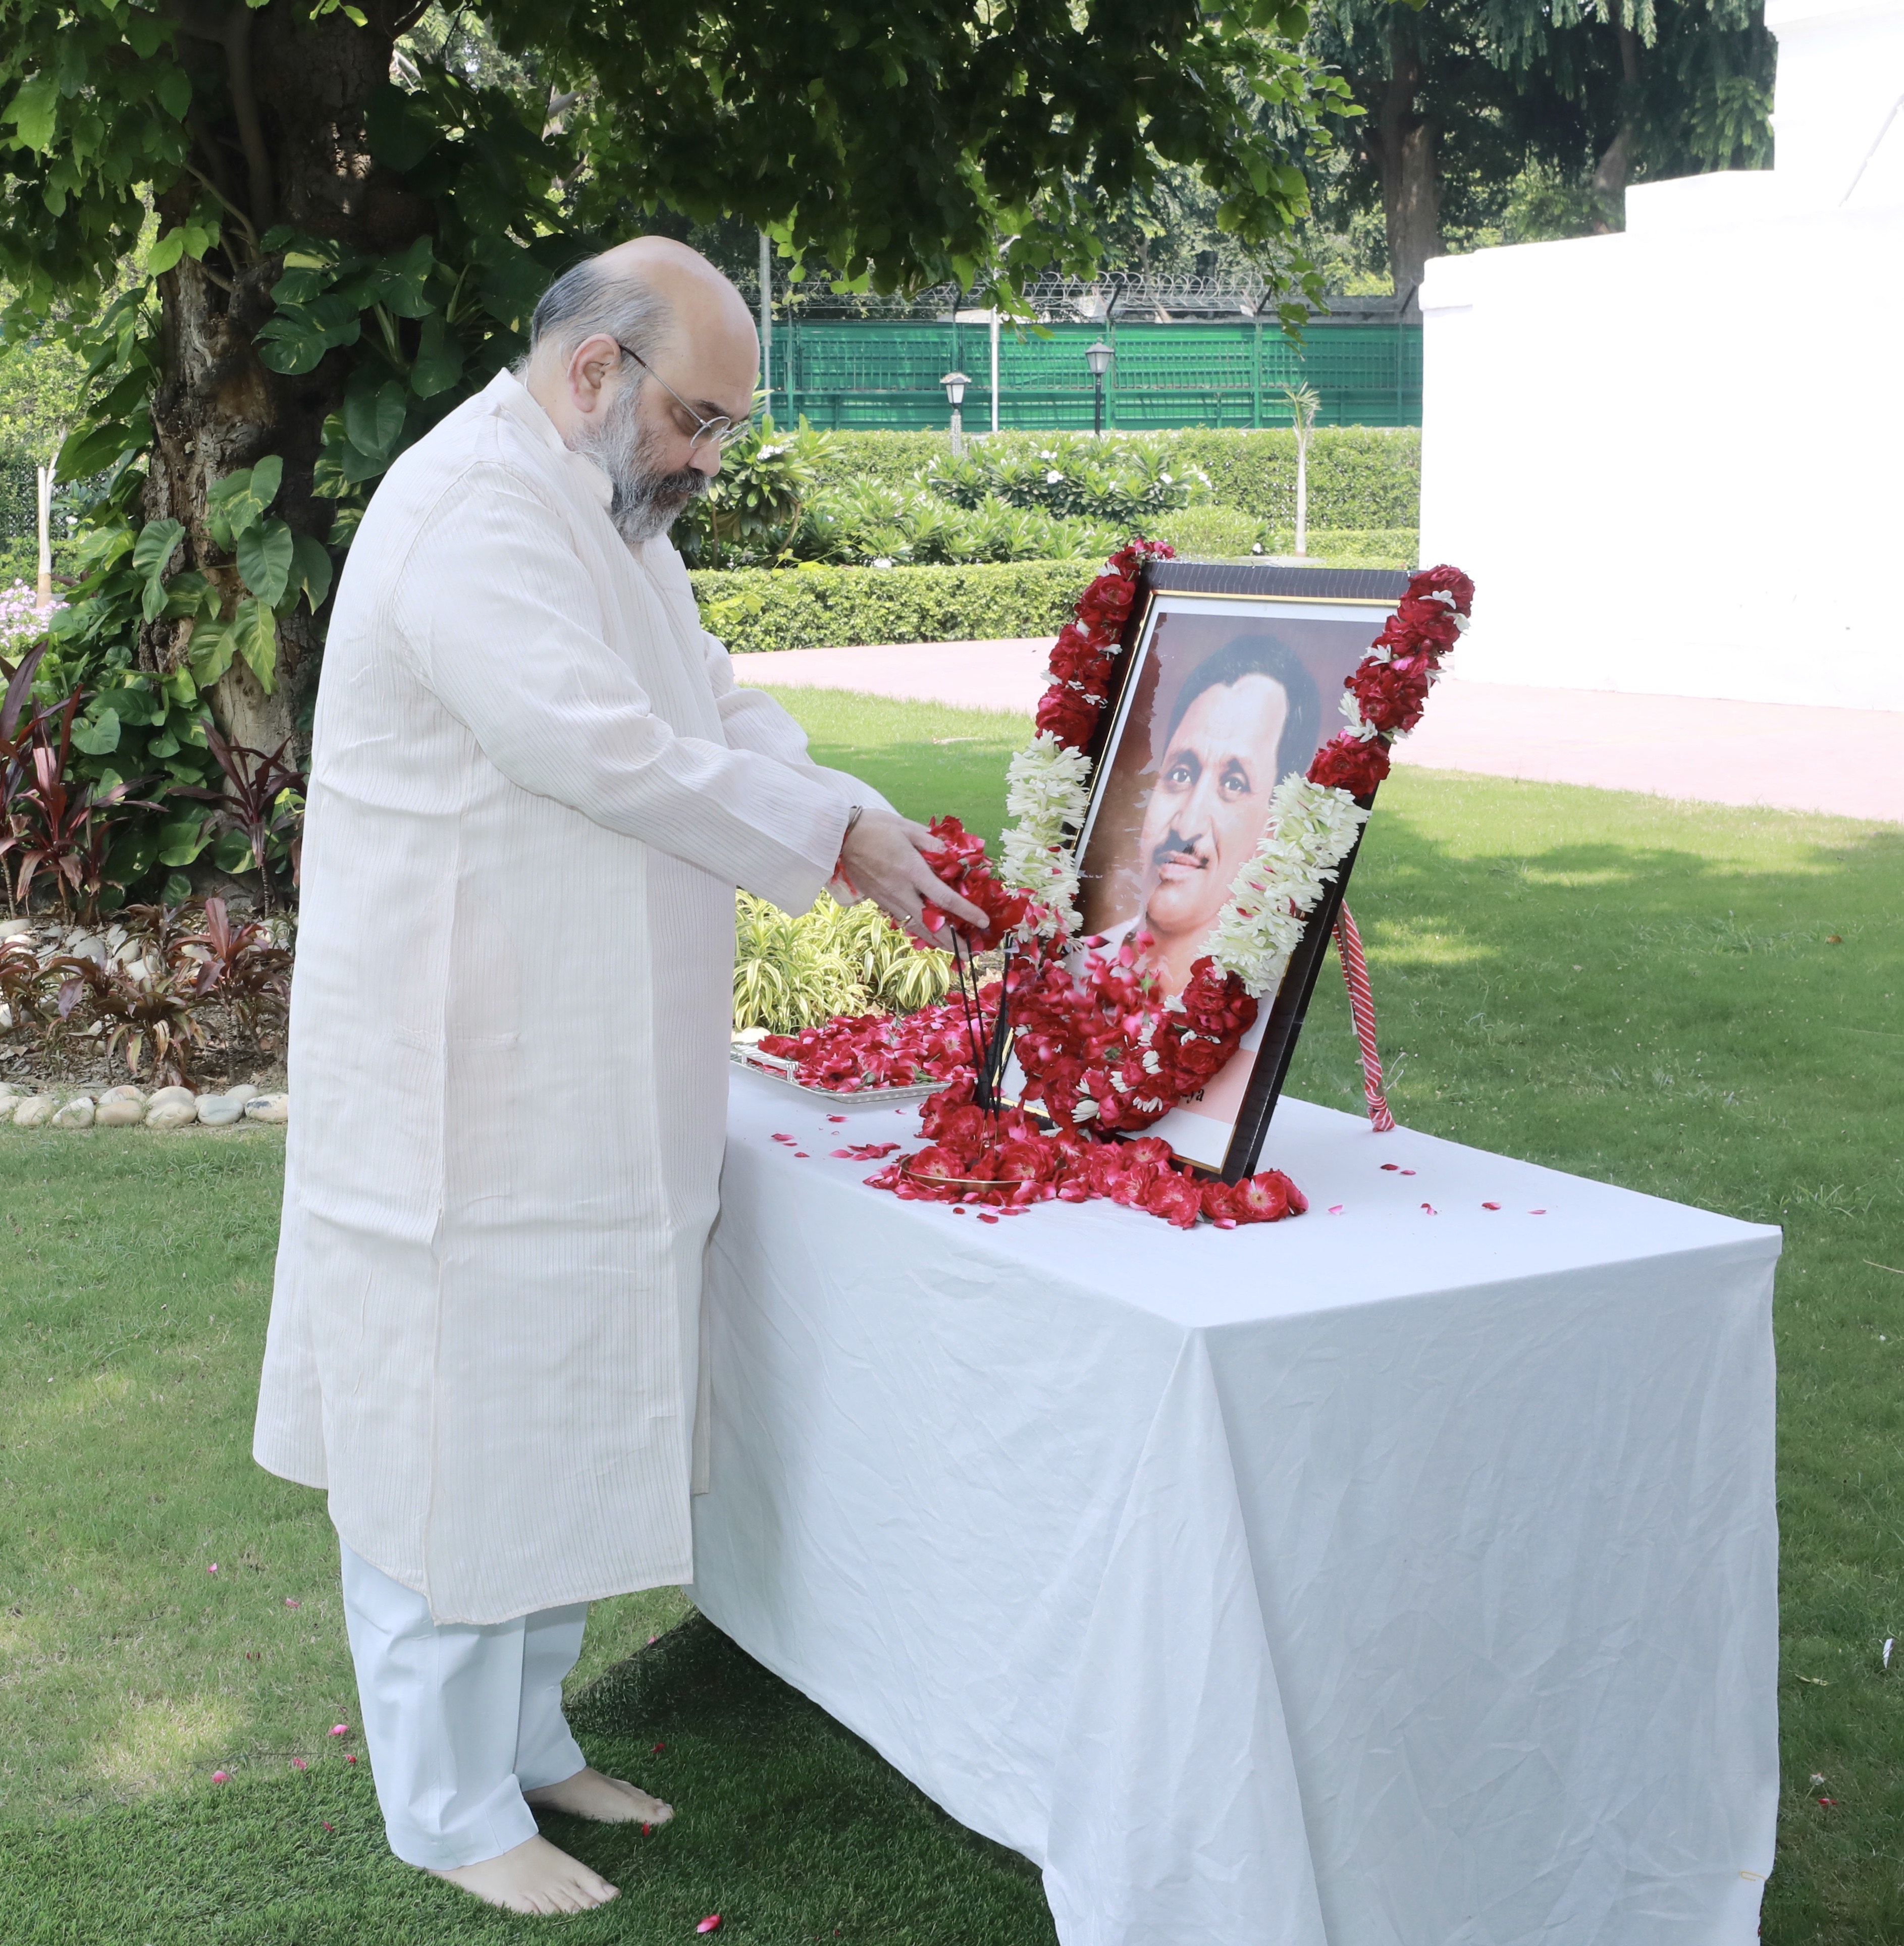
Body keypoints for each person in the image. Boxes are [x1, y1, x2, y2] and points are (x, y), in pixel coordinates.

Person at [251, 236, 984, 1917]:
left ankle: (523, 1741)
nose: (709, 460)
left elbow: (708, 703)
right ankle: (442, 1802)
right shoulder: (469, 514)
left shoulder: (599, 510)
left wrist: (840, 805)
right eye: (700, 418)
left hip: (580, 1059)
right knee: (451, 1430)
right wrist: (834, 833)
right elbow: (592, 742)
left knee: (561, 1411)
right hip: (460, 1074)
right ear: (596, 373)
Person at [1088, 635, 1319, 999]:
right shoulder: (1072, 970)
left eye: (1234, 783)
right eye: (1181, 773)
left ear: (1275, 825)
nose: (1186, 826)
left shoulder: (1257, 1009)